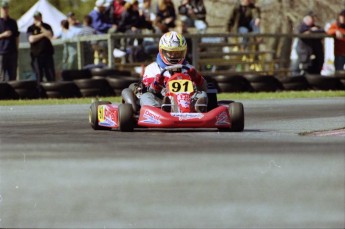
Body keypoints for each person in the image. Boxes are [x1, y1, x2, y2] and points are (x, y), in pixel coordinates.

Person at [140, 31, 208, 112]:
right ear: (162, 51)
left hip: (188, 102)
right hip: (161, 101)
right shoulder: (152, 69)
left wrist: (197, 78)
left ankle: (198, 109)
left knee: (202, 94)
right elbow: (148, 90)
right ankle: (159, 112)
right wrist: (156, 83)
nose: (174, 56)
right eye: (170, 53)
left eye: (177, 53)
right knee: (146, 96)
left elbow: (204, 88)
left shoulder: (189, 69)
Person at [27, 11, 56, 84]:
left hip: (47, 54)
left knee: (50, 74)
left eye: (38, 17)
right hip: (37, 55)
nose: (37, 19)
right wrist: (43, 35)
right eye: (36, 18)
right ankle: (40, 93)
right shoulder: (31, 28)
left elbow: (50, 36)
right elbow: (31, 39)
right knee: (39, 74)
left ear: (41, 17)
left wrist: (41, 27)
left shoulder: (47, 26)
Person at [0, 1, 19, 81]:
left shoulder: (13, 22)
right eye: (4, 8)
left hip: (12, 52)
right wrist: (3, 35)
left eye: (7, 8)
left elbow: (16, 36)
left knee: (12, 75)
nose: (5, 10)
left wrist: (17, 49)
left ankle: (12, 93)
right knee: (1, 75)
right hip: (1, 52)